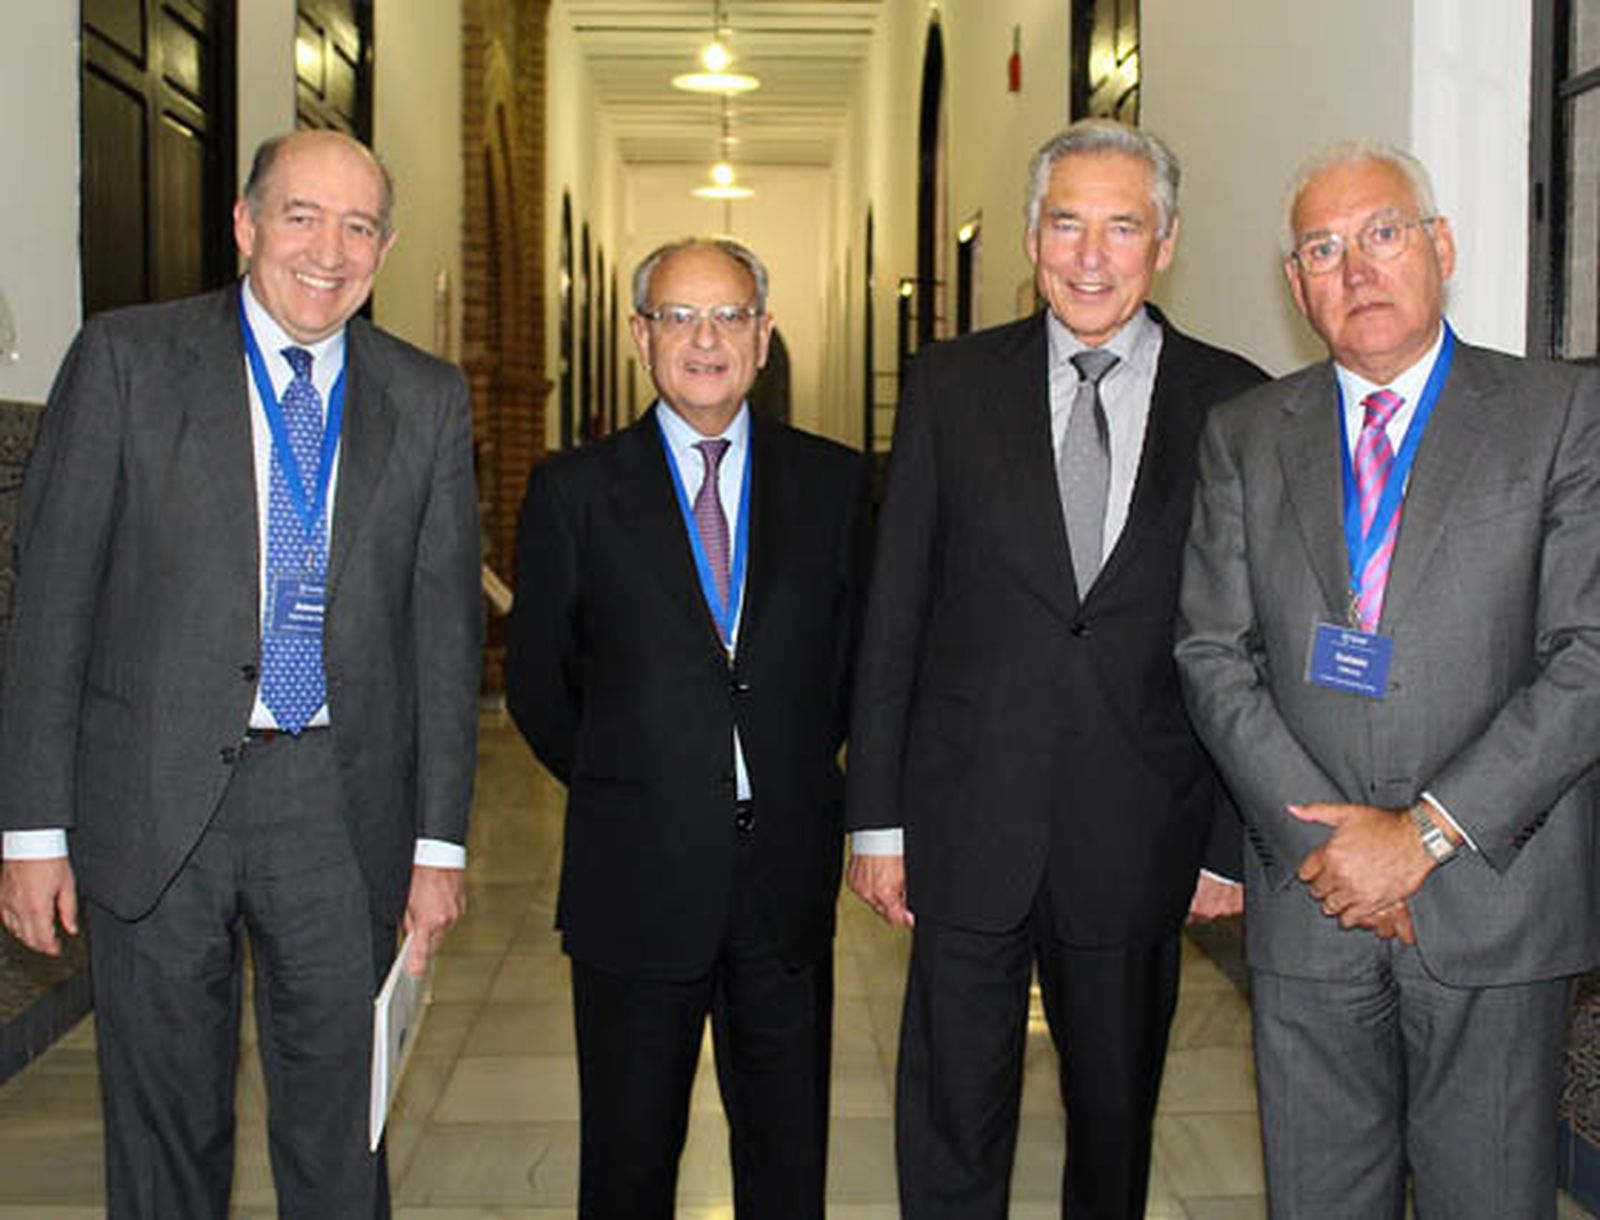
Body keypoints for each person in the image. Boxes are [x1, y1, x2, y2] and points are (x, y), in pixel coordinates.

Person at [0, 129, 483, 1218]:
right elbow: (53, 605)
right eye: (302, 215)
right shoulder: (127, 360)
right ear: (245, 223)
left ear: (385, 246)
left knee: (337, 1140)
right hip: (153, 800)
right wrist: (32, 829)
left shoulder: (427, 399)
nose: (329, 248)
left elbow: (444, 639)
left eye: (359, 226)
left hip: (338, 809)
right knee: (167, 1129)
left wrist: (438, 843)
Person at [846, 119, 1266, 1219]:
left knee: (1115, 1120)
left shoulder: (1236, 403)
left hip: (1141, 830)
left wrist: (1227, 840)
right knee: (951, 1115)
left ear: (1165, 240)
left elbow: (1250, 639)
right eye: (1066, 223)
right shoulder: (948, 386)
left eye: (1121, 225)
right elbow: (896, 613)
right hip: (964, 820)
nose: (1090, 254)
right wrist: (876, 819)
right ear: (1031, 237)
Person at [1175, 140, 1600, 1218]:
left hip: (1493, 897)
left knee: (1487, 1198)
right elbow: (1213, 652)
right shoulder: (1243, 436)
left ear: (1439, 246)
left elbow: (1587, 653)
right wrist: (1340, 847)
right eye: (1323, 247)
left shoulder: (1556, 416)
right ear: (1294, 284)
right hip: (1310, 899)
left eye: (1382, 233)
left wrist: (1419, 837)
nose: (1356, 267)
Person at [505, 237, 871, 1220]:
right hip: (636, 874)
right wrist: (642, 777)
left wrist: (785, 769)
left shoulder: (836, 487)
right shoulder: (572, 491)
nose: (704, 339)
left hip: (784, 876)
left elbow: (850, 671)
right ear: (640, 335)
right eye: (678, 316)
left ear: (762, 334)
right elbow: (540, 686)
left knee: (786, 1157)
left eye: (727, 316)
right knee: (627, 1162)